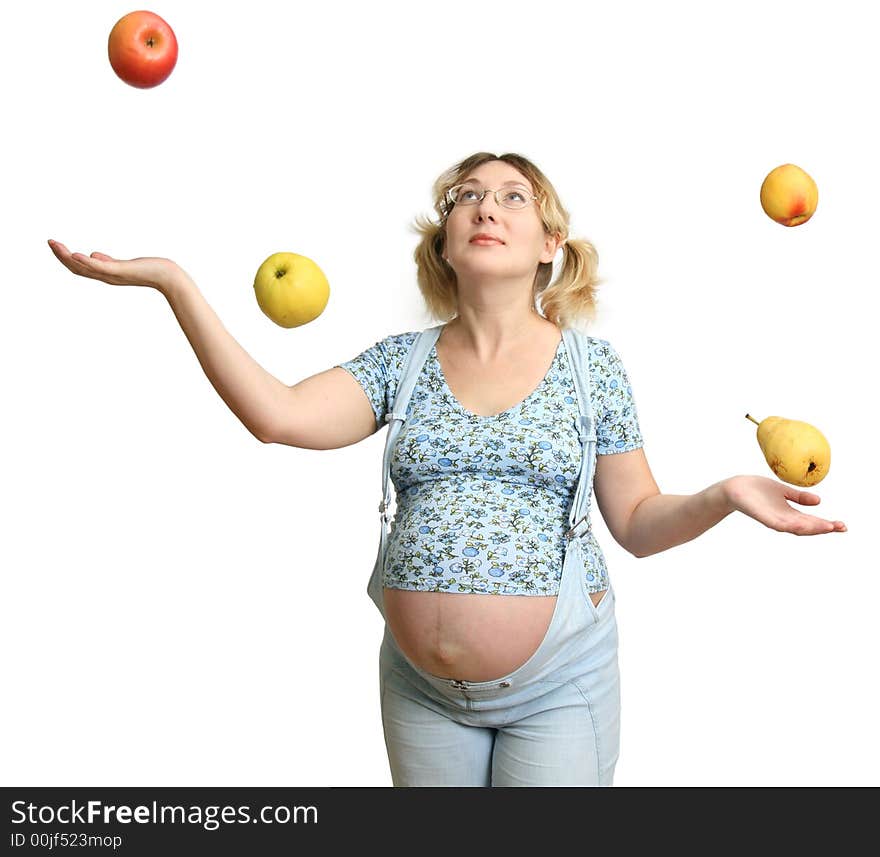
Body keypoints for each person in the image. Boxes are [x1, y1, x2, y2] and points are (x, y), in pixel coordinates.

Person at [47, 149, 846, 788]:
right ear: (445, 241)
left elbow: (636, 523)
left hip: (557, 689)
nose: (486, 206)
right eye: (466, 196)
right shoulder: (401, 363)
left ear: (550, 246)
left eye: (512, 197)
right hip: (421, 692)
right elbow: (277, 415)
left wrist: (725, 494)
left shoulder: (591, 369)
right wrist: (174, 283)